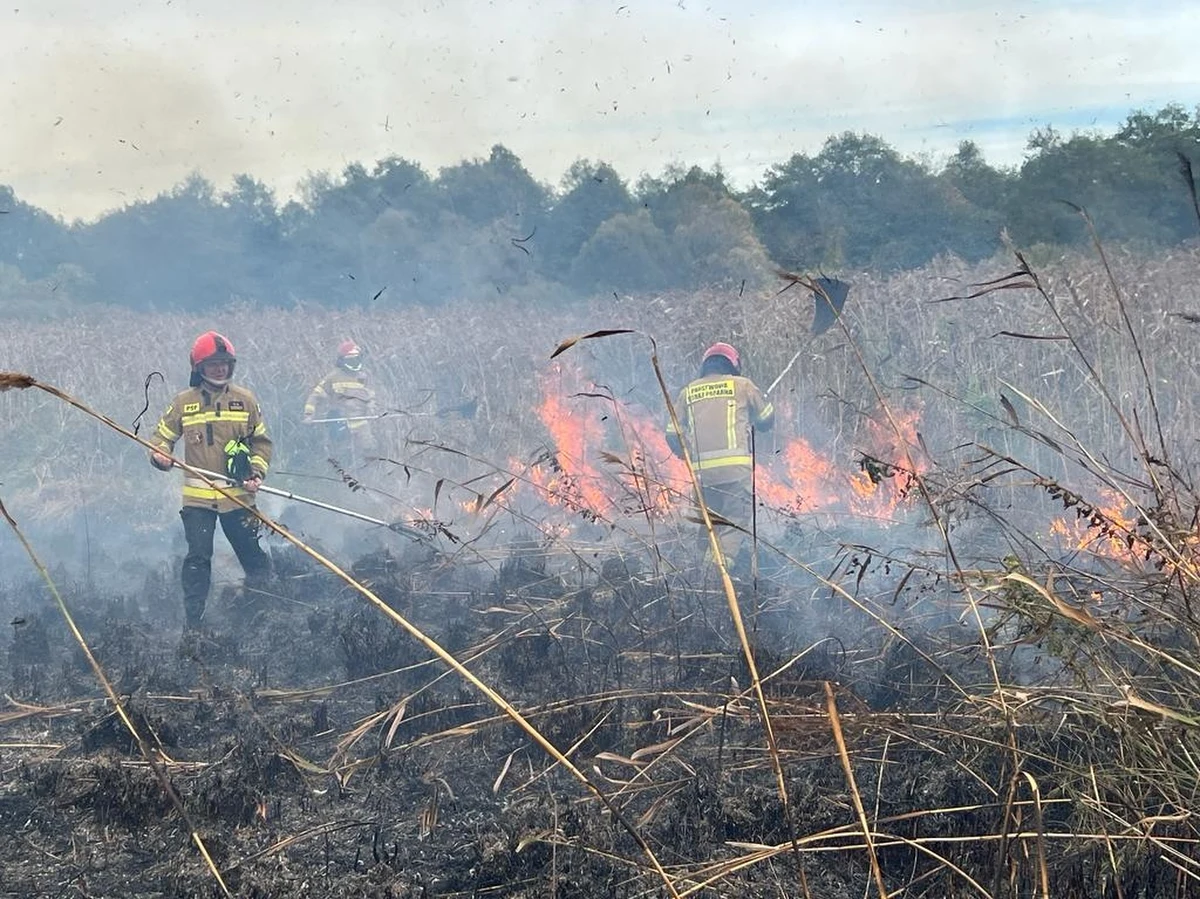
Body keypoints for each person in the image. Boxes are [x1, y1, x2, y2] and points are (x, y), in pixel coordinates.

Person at [148, 331, 273, 632]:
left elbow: (262, 443)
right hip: (198, 502)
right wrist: (161, 456)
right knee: (198, 559)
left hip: (239, 499)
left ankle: (266, 613)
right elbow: (161, 439)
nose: (219, 369)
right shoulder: (183, 403)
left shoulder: (246, 401)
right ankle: (195, 623)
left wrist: (255, 473)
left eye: (224, 363)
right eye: (212, 364)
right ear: (199, 368)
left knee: (253, 557)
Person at [665, 342, 775, 574]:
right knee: (734, 522)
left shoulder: (688, 392)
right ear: (733, 365)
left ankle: (696, 576)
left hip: (703, 477)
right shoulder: (742, 385)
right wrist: (756, 410)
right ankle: (717, 574)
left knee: (709, 525)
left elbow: (672, 434)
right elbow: (767, 420)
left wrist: (687, 457)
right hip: (735, 474)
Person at [302, 339, 378, 463]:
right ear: (342, 360)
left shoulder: (363, 377)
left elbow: (371, 397)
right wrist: (309, 415)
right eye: (350, 359)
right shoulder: (333, 377)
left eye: (356, 359)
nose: (354, 362)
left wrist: (372, 407)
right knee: (342, 455)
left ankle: (368, 475)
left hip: (360, 423)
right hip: (339, 421)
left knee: (369, 449)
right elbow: (314, 396)